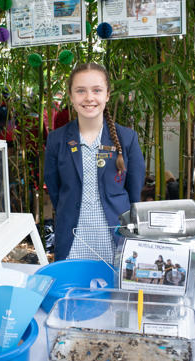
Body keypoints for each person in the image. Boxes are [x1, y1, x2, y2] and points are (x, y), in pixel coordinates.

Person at [44, 63, 146, 263]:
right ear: (71, 96)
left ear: (107, 94)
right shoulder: (57, 139)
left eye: (96, 90)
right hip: (73, 237)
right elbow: (55, 191)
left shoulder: (127, 138)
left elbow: (134, 194)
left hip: (114, 237)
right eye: (80, 91)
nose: (89, 98)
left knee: (113, 290)